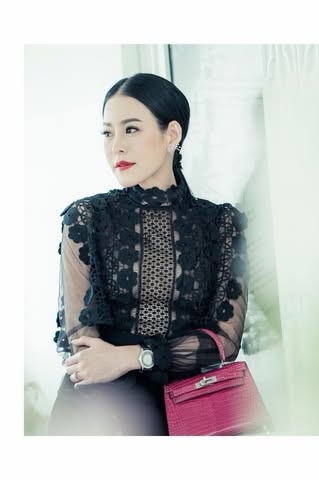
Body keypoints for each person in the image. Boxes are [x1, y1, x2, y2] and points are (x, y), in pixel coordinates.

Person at [48, 73, 249, 435]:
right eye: (107, 133)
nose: (116, 147)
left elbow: (224, 341)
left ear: (172, 134)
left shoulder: (222, 224)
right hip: (102, 412)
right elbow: (82, 346)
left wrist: (134, 356)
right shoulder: (85, 218)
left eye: (131, 129)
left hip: (191, 412)